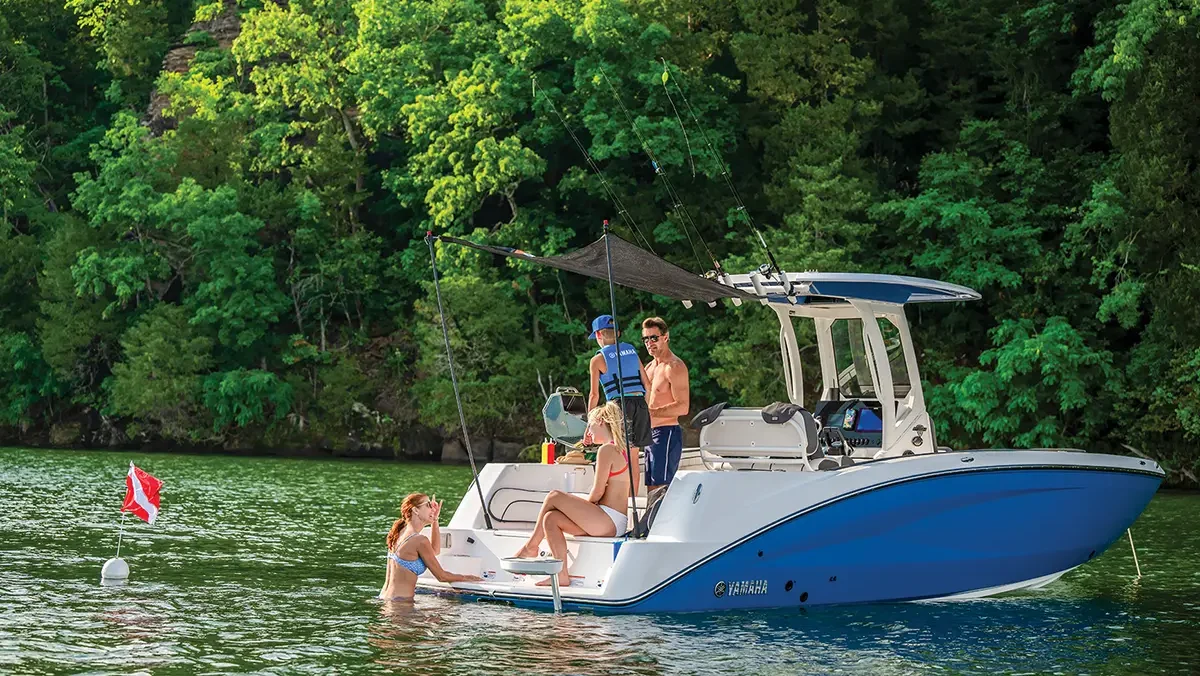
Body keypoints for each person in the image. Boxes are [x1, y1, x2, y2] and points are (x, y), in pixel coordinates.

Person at [513, 402, 639, 587]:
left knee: (554, 496)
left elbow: (597, 492)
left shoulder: (607, 450)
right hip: (613, 521)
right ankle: (562, 575)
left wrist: (582, 507)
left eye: (590, 425)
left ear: (600, 421)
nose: (588, 431)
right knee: (551, 519)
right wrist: (581, 509)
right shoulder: (621, 449)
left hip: (609, 519)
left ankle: (531, 547)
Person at [379, 493, 480, 601]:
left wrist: (435, 520)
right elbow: (442, 576)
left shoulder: (399, 532)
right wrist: (467, 578)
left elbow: (434, 551)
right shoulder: (419, 540)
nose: (433, 509)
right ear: (415, 510)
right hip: (401, 604)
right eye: (428, 505)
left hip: (385, 600)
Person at [586, 314, 653, 466]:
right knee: (634, 459)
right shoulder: (631, 351)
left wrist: (589, 424)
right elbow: (648, 385)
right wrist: (644, 407)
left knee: (620, 456)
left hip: (618, 407)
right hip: (640, 404)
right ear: (618, 333)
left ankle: (619, 483)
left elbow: (594, 395)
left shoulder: (597, 360)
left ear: (598, 334)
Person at [642, 316, 690, 494]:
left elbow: (683, 407)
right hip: (648, 435)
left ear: (666, 337)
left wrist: (652, 413)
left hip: (666, 432)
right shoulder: (648, 368)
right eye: (646, 339)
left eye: (654, 338)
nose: (649, 343)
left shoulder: (675, 367)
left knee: (661, 489)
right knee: (651, 489)